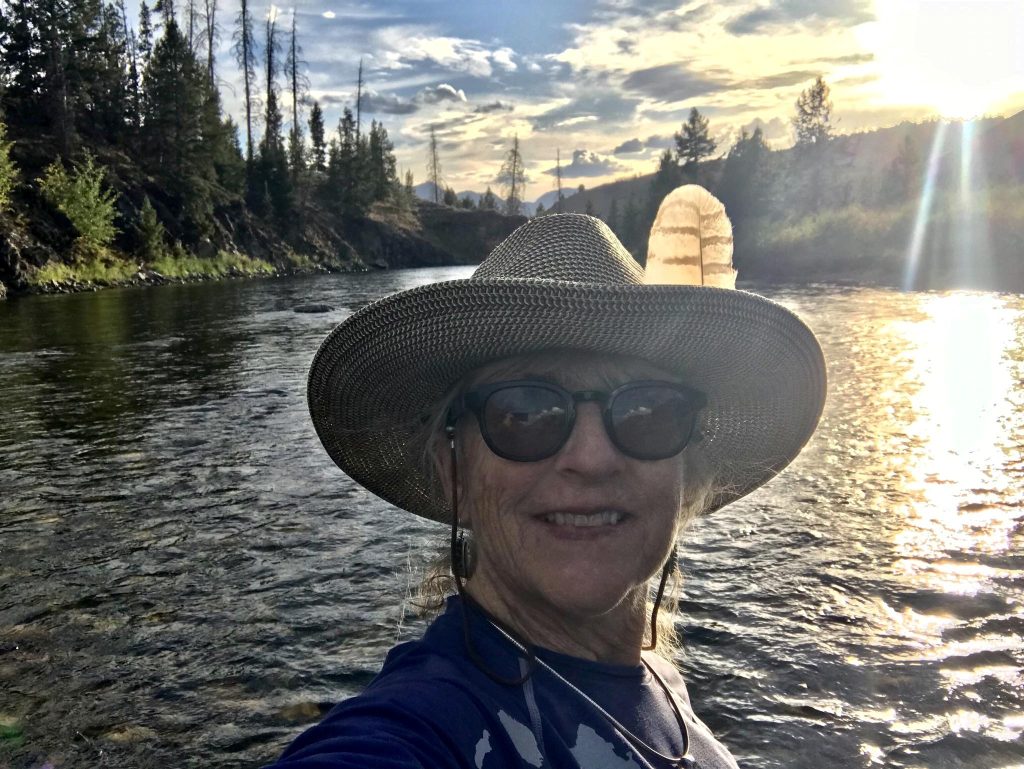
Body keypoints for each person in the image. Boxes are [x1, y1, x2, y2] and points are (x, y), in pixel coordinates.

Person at [269, 214, 827, 768]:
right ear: (453, 466)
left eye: (648, 411)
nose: (592, 458)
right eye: (525, 413)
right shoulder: (419, 729)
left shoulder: (656, 674)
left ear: (689, 471)